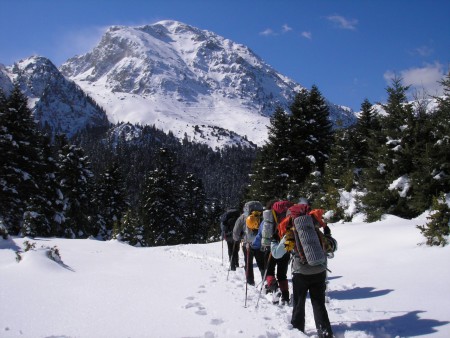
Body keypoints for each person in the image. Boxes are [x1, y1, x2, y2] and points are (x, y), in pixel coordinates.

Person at [271, 198, 333, 337]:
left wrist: (274, 241)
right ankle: (325, 333)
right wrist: (328, 234)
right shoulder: (315, 229)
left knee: (299, 303)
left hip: (301, 273)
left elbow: (277, 253)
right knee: (319, 303)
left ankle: (298, 330)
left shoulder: (291, 234)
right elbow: (331, 247)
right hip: (320, 269)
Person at [259, 200, 293, 305]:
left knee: (269, 271)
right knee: (282, 274)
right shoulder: (289, 218)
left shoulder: (268, 219)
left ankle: (274, 288)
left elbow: (261, 233)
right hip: (286, 246)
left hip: (270, 246)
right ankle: (286, 296)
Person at [233, 202, 265, 286]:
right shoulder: (262, 216)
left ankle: (250, 282)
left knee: (248, 264)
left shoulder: (243, 217)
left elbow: (236, 232)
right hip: (259, 243)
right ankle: (266, 282)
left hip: (247, 244)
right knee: (262, 263)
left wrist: (237, 239)